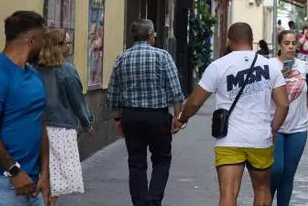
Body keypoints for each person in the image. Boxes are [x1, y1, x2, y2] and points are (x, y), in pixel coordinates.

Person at [176, 23, 289, 206]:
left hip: (229, 139)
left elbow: (195, 102)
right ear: (252, 41)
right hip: (260, 138)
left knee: (228, 193)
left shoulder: (218, 66)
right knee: (262, 189)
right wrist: (273, 129)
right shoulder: (270, 67)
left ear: (229, 41)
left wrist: (181, 118)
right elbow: (283, 104)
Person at [0, 11, 50, 205]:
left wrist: (45, 173)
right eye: (42, 39)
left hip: (31, 182)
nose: (44, 45)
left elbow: (39, 122)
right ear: (32, 40)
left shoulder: (34, 76)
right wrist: (14, 170)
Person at [106, 19, 185, 206]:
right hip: (157, 116)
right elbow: (175, 89)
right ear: (150, 35)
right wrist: (178, 116)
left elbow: (113, 92)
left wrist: (118, 118)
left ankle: (140, 203)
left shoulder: (121, 58)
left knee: (136, 162)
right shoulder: (162, 56)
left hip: (131, 116)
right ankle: (153, 200)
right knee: (162, 159)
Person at [35, 29, 94, 205]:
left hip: (37, 128)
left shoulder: (33, 69)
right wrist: (87, 122)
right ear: (58, 46)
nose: (70, 46)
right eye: (68, 43)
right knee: (56, 180)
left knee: (42, 177)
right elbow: (78, 101)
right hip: (61, 130)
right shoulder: (67, 70)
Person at [270, 30, 308, 206]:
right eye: (286, 43)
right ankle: (265, 199)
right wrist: (278, 79)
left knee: (288, 173)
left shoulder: (304, 67)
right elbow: (261, 97)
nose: (291, 47)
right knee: (276, 170)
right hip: (274, 128)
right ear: (279, 45)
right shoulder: (270, 66)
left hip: (298, 129)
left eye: (293, 43)